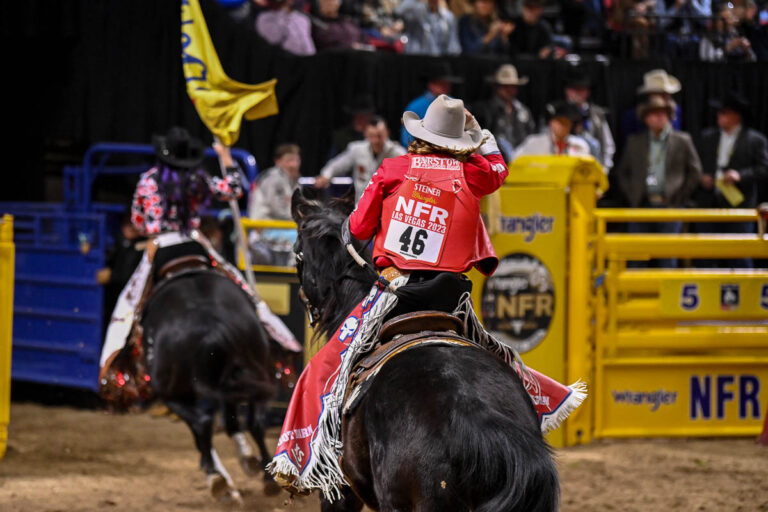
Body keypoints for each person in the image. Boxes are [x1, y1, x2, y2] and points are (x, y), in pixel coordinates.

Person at [270, 94, 585, 496]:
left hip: (395, 294)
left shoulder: (393, 168)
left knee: (326, 367)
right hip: (451, 299)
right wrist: (481, 133)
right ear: (459, 142)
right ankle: (539, 401)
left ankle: (300, 459)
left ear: (420, 134)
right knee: (498, 356)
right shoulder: (472, 174)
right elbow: (498, 168)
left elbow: (360, 228)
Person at [100, 127, 300, 383]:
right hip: (195, 242)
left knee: (128, 305)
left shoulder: (147, 180)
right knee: (244, 290)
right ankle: (281, 343)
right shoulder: (198, 178)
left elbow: (138, 221)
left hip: (160, 245)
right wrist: (226, 157)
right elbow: (234, 190)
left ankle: (114, 371)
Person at [614, 96, 702, 267]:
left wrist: (679, 197)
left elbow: (695, 171)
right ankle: (636, 291)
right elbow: (622, 172)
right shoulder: (634, 142)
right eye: (654, 114)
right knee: (637, 256)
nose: (659, 117)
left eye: (663, 113)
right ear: (646, 118)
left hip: (670, 206)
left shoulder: (682, 140)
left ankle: (668, 293)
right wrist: (633, 194)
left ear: (669, 117)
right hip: (641, 205)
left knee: (668, 256)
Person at [695, 92, 768, 268]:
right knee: (707, 253)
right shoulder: (707, 137)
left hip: (739, 203)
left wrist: (740, 175)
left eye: (725, 112)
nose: (720, 116)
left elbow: (764, 168)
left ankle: (744, 292)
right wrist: (701, 177)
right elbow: (694, 164)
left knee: (740, 253)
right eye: (719, 112)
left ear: (737, 115)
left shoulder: (755, 140)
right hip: (710, 202)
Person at [316, 116, 407, 202]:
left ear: (386, 133)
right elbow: (337, 164)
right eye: (372, 135)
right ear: (366, 133)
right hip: (361, 205)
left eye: (379, 136)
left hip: (386, 204)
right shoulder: (357, 149)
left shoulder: (398, 153)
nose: (376, 141)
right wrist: (326, 175)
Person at [247, 143, 302, 265]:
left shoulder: (293, 180)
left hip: (282, 227)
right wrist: (302, 217)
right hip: (265, 229)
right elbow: (277, 210)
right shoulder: (273, 178)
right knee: (302, 238)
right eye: (289, 161)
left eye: (297, 160)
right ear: (278, 161)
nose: (294, 164)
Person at [472, 63, 536, 161]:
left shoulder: (523, 110)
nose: (510, 90)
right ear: (497, 87)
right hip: (495, 161)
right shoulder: (485, 110)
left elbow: (531, 136)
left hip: (522, 161)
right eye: (505, 86)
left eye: (513, 86)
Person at [562, 65, 615, 173]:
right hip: (564, 168)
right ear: (567, 91)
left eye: (581, 89)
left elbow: (608, 144)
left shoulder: (597, 114)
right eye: (574, 89)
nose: (578, 93)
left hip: (590, 169)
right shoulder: (558, 112)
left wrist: (604, 170)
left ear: (588, 91)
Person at [400, 62, 464, 147]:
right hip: (422, 153)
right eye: (442, 83)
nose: (447, 86)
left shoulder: (456, 104)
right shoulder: (415, 107)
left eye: (448, 83)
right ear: (431, 84)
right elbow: (406, 138)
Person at [619, 69, 683, 149]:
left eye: (668, 93)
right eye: (661, 93)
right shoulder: (632, 116)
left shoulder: (676, 110)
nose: (666, 97)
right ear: (650, 94)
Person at [514, 101, 592, 158]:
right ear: (551, 122)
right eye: (559, 121)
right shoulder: (534, 143)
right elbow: (515, 161)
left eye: (566, 122)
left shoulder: (580, 146)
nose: (562, 126)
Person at [396, 0, 462, 55]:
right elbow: (399, 11)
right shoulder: (416, 11)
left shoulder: (448, 17)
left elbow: (454, 46)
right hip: (416, 60)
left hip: (439, 61)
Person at [329, 94, 376, 158]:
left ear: (370, 117)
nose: (358, 119)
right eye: (356, 116)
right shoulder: (341, 137)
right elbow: (332, 163)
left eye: (363, 116)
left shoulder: (380, 136)